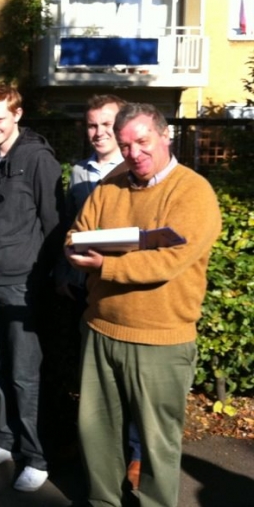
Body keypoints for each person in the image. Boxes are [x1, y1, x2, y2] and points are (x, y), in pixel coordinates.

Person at [67, 103, 221, 507]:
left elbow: (169, 261)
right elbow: (78, 231)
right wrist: (75, 250)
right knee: (96, 433)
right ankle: (104, 502)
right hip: (101, 329)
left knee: (157, 445)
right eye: (125, 145)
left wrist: (105, 264)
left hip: (161, 340)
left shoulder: (193, 192)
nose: (134, 153)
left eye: (142, 142)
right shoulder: (113, 182)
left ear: (165, 135)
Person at [0, 84, 63, 492]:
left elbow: (54, 224)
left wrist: (45, 279)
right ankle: (6, 442)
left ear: (17, 115)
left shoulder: (38, 159)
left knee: (25, 376)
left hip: (22, 286)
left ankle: (36, 456)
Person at [55, 94, 143, 489]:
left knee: (131, 379)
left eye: (106, 125)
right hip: (83, 288)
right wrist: (64, 274)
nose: (98, 133)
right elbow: (70, 228)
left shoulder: (137, 170)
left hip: (122, 286)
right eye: (91, 125)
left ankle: (136, 455)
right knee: (90, 376)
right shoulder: (79, 171)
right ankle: (96, 447)